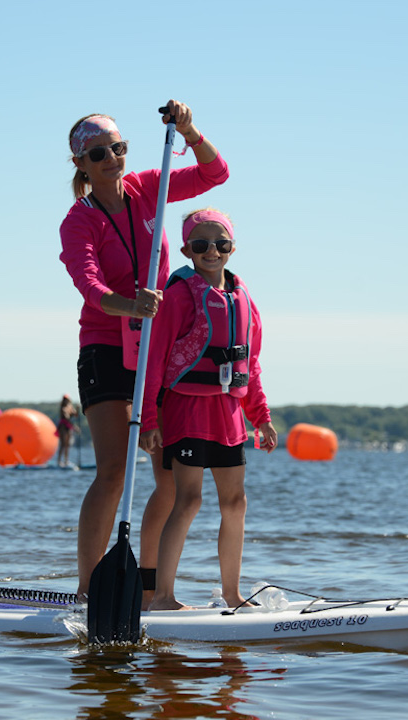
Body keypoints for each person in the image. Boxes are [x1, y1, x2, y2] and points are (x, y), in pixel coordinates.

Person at [59, 100, 229, 604]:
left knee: (171, 481)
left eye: (117, 148)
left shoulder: (147, 188)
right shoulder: (78, 221)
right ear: (81, 165)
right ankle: (90, 591)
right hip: (106, 347)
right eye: (98, 153)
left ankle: (153, 592)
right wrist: (128, 303)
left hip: (158, 350)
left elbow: (215, 173)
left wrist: (189, 129)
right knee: (114, 471)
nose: (111, 158)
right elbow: (89, 286)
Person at [138, 208, 277, 610]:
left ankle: (232, 594)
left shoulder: (243, 298)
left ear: (232, 247)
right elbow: (154, 362)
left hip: (229, 415)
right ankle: (163, 596)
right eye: (201, 245)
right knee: (189, 499)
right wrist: (149, 420)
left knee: (236, 502)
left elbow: (250, 364)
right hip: (186, 411)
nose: (211, 251)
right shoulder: (179, 295)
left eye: (221, 243)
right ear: (187, 249)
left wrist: (261, 417)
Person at [56, 395, 78, 468]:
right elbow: (66, 418)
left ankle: (66, 461)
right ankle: (59, 461)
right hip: (63, 427)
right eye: (65, 400)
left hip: (68, 427)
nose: (66, 401)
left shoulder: (70, 408)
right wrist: (74, 427)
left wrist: (77, 408)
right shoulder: (63, 408)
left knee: (67, 445)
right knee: (63, 444)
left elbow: (76, 415)